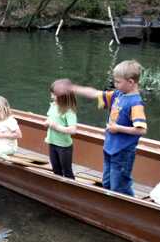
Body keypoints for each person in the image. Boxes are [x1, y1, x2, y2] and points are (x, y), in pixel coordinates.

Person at [52, 60, 147, 196]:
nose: (115, 84)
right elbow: (95, 93)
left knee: (119, 186)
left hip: (122, 152)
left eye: (118, 82)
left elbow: (141, 130)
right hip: (110, 148)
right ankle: (111, 205)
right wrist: (72, 88)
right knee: (107, 183)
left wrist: (118, 128)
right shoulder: (118, 95)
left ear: (131, 82)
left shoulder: (135, 103)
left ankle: (129, 208)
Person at [43, 81, 77, 178]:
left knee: (67, 171)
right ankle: (59, 188)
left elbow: (73, 130)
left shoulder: (69, 110)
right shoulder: (53, 105)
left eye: (54, 94)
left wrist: (57, 127)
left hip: (64, 147)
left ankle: (71, 189)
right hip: (52, 143)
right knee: (56, 169)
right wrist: (47, 122)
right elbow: (51, 119)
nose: (52, 96)